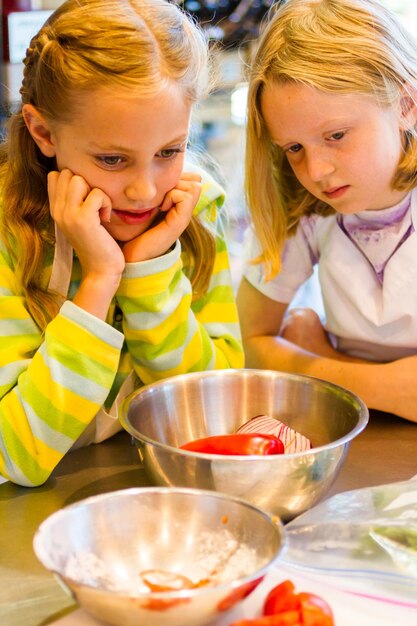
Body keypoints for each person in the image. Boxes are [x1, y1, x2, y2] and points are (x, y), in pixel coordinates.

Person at [0, 0, 244, 486]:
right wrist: (101, 280)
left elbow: (219, 414)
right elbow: (13, 455)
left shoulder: (196, 210)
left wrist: (148, 272)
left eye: (169, 152)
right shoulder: (9, 235)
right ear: (43, 131)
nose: (145, 190)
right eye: (113, 159)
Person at [237, 0, 417, 423]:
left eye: (336, 135)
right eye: (294, 148)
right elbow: (246, 341)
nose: (316, 171)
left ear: (406, 106)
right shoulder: (306, 208)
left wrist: (317, 358)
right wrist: (385, 387)